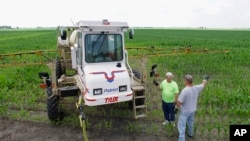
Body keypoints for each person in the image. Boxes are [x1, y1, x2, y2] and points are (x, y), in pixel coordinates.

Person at [176, 74, 208, 141]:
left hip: (185, 111)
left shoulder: (185, 90)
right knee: (190, 122)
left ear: (186, 81)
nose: (184, 81)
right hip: (193, 110)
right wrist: (205, 79)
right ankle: (190, 133)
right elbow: (203, 84)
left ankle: (181, 139)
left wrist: (176, 107)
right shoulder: (196, 88)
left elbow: (179, 102)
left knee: (181, 126)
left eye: (184, 80)